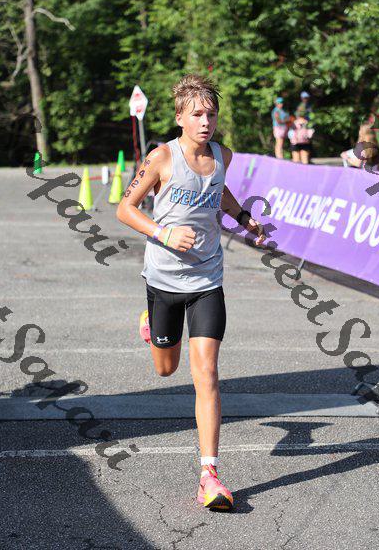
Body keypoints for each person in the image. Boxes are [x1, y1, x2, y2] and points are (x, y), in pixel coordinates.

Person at [116, 73, 266, 511]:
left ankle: (209, 475)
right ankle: (151, 324)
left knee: (207, 374)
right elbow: (125, 208)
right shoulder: (162, 157)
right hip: (163, 280)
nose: (205, 122)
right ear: (180, 117)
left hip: (207, 281)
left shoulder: (223, 155)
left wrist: (243, 218)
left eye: (211, 114)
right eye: (197, 114)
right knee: (166, 369)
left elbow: (220, 191)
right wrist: (163, 233)